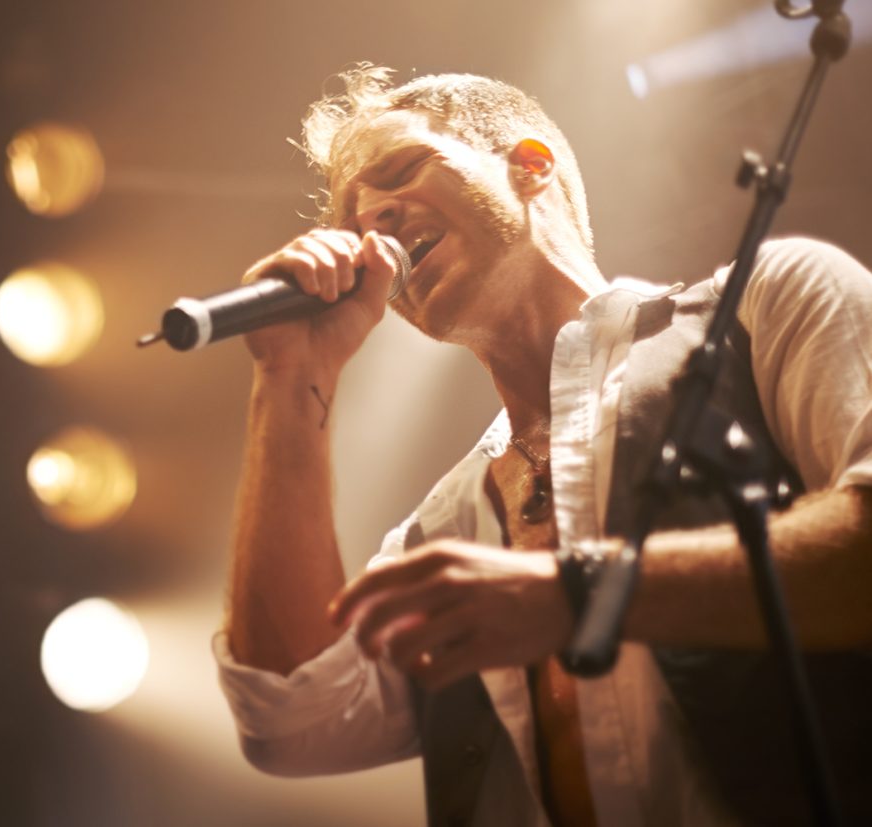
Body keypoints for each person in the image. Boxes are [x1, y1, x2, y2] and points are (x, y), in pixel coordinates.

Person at [213, 65, 872, 827]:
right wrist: (290, 376)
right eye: (356, 222)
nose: (374, 224)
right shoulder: (444, 526)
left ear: (531, 165)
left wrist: (575, 594)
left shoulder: (765, 306)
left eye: (400, 172)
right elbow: (291, 722)